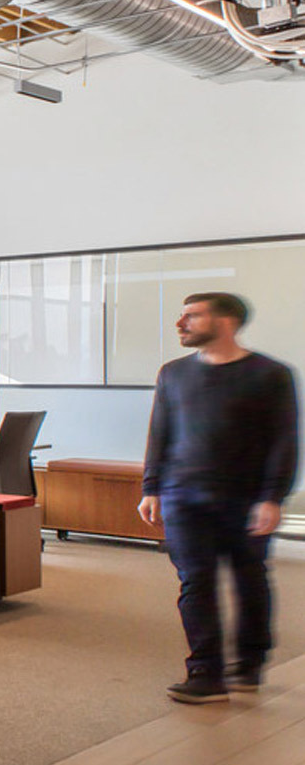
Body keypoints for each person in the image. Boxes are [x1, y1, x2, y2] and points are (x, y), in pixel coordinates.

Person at [138, 292, 297, 705]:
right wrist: (151, 487)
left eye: (192, 316)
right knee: (196, 581)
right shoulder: (172, 374)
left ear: (225, 322)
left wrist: (272, 497)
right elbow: (161, 433)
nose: (180, 323)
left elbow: (284, 441)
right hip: (183, 497)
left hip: (245, 499)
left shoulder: (271, 374)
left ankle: (249, 662)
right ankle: (206, 673)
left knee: (248, 578)